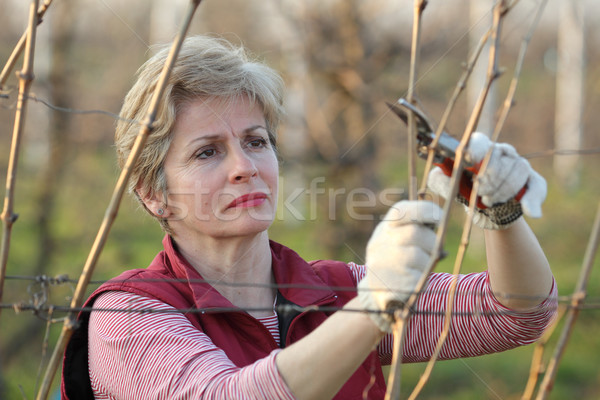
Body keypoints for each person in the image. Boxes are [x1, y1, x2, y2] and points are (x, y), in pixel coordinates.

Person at [61, 35, 557, 399]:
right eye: (208, 152)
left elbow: (515, 313)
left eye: (255, 142)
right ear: (153, 194)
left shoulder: (329, 292)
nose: (245, 167)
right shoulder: (127, 316)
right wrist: (375, 308)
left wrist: (499, 208)